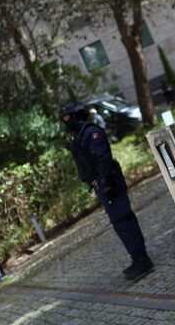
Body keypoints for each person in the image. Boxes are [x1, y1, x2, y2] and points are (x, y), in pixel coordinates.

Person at [59, 102, 153, 280]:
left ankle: (141, 259)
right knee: (120, 222)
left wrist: (105, 183)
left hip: (109, 182)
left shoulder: (90, 133)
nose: (66, 122)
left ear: (77, 116)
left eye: (68, 117)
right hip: (102, 184)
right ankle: (138, 258)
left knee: (123, 220)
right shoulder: (80, 136)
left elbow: (104, 159)